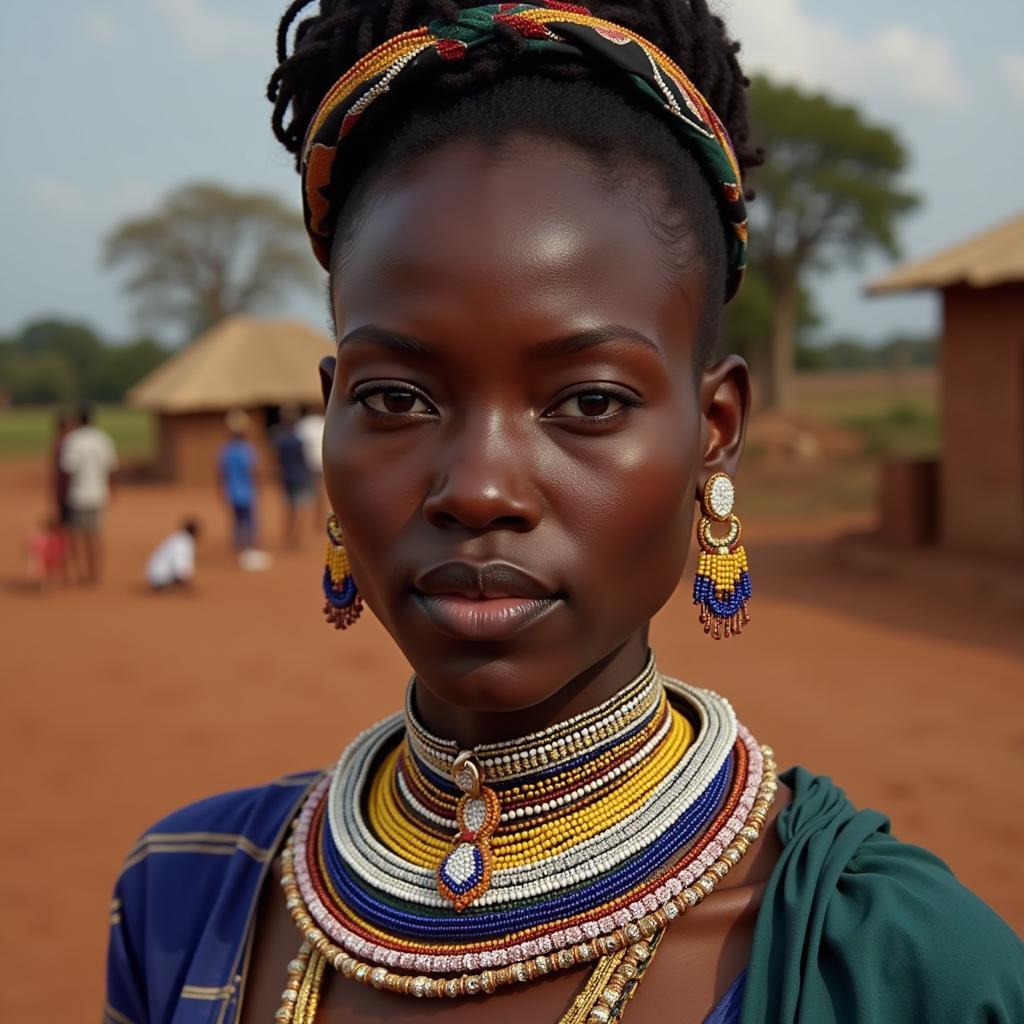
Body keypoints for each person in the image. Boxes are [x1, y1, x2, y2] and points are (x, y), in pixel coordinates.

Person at [105, 3, 1024, 1023]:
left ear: (713, 426)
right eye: (396, 398)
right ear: (330, 415)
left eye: (588, 401)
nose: (479, 488)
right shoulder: (184, 899)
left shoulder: (905, 971)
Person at [60, 404, 117, 584]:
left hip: (77, 495)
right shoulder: (103, 439)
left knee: (75, 537)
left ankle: (80, 574)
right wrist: (112, 490)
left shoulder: (73, 440)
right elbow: (111, 468)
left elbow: (67, 470)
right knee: (95, 536)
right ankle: (95, 575)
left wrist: (62, 494)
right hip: (98, 494)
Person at [271, 403, 314, 547]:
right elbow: (303, 460)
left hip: (286, 478)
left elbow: (277, 461)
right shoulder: (298, 441)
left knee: (289, 509)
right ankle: (296, 538)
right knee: (300, 509)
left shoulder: (280, 440)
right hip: (299, 477)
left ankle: (288, 537)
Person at [219, 409, 260, 555]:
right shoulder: (249, 450)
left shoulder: (225, 450)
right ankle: (249, 549)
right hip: (247, 492)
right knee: (249, 522)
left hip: (232, 492)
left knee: (237, 522)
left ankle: (238, 550)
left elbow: (221, 474)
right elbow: (253, 472)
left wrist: (222, 491)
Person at [295, 402, 327, 532]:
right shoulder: (323, 422)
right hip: (321, 463)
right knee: (320, 493)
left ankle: (305, 523)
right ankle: (318, 521)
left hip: (306, 464)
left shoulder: (302, 425)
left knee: (307, 494)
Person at [145, 518, 200, 590]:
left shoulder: (177, 538)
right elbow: (180, 566)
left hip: (154, 575)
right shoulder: (184, 543)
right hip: (160, 578)